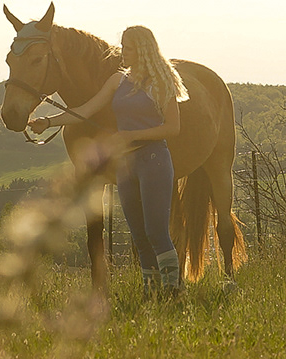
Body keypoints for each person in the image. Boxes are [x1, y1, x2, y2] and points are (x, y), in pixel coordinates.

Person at [28, 25, 188, 294]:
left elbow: (173, 128)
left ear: (143, 50)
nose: (122, 52)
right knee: (139, 235)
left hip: (154, 160)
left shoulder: (161, 83)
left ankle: (173, 291)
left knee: (156, 232)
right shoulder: (117, 80)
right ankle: (151, 292)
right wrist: (48, 121)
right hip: (126, 166)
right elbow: (85, 110)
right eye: (122, 46)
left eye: (128, 47)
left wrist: (132, 135)